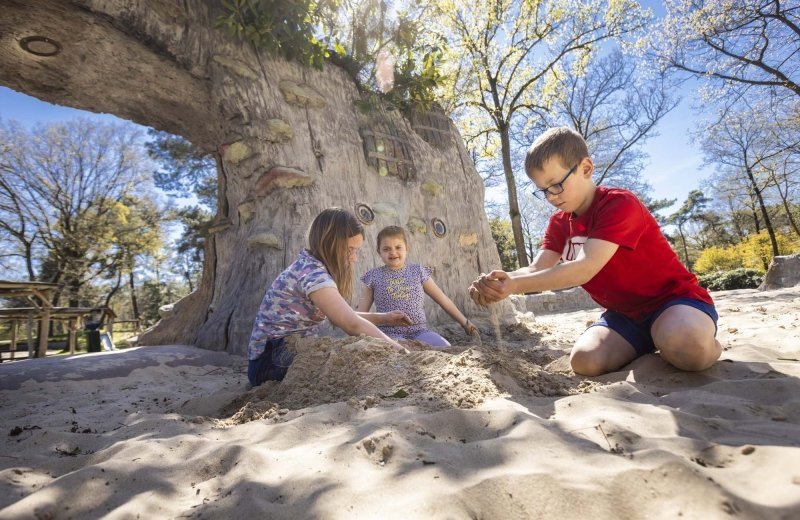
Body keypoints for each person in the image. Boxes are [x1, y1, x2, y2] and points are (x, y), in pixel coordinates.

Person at [469, 127, 721, 376]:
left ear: (586, 169)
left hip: (674, 301)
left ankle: (704, 341)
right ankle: (651, 341)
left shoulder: (619, 204)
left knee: (686, 345)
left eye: (555, 185)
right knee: (584, 361)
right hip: (625, 316)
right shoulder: (559, 223)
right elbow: (537, 268)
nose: (551, 197)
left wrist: (513, 286)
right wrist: (498, 281)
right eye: (543, 190)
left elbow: (584, 268)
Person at [247, 208, 411, 386]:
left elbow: (344, 314)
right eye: (350, 250)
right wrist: (400, 350)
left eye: (357, 251)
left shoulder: (309, 265)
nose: (354, 258)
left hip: (278, 354)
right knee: (347, 361)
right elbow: (350, 323)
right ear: (329, 243)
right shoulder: (313, 274)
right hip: (271, 360)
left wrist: (384, 318)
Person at [358, 225, 478, 347]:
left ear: (407, 249)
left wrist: (465, 322)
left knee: (446, 347)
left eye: (398, 247)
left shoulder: (418, 272)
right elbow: (361, 314)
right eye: (386, 249)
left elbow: (443, 300)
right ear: (379, 252)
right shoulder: (373, 277)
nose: (393, 252)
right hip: (390, 334)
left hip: (419, 332)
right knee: (400, 350)